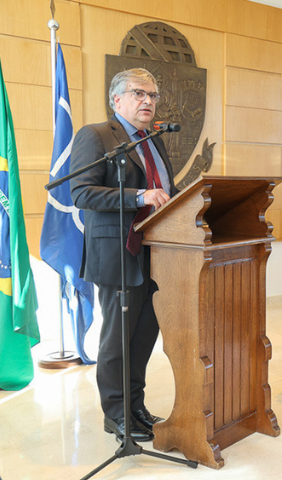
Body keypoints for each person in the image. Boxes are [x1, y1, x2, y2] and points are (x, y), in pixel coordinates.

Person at [70, 68, 176, 442]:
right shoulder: (96, 135)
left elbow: (166, 192)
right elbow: (80, 193)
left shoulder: (153, 139)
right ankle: (115, 415)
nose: (148, 101)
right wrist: (137, 197)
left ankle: (136, 407)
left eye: (153, 94)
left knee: (144, 336)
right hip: (117, 253)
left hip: (155, 254)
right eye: (138, 93)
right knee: (117, 339)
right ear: (117, 100)